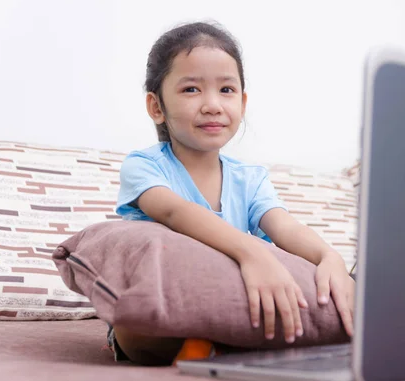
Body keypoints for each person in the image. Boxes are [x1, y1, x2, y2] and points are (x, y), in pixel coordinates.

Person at [108, 21, 355, 365]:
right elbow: (175, 213)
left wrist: (330, 258)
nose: (212, 105)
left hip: (236, 302)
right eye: (192, 89)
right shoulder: (144, 167)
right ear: (156, 106)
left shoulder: (250, 179)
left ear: (243, 101)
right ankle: (214, 342)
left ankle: (224, 342)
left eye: (226, 90)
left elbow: (285, 227)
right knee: (136, 324)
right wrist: (252, 253)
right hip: (168, 307)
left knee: (310, 298)